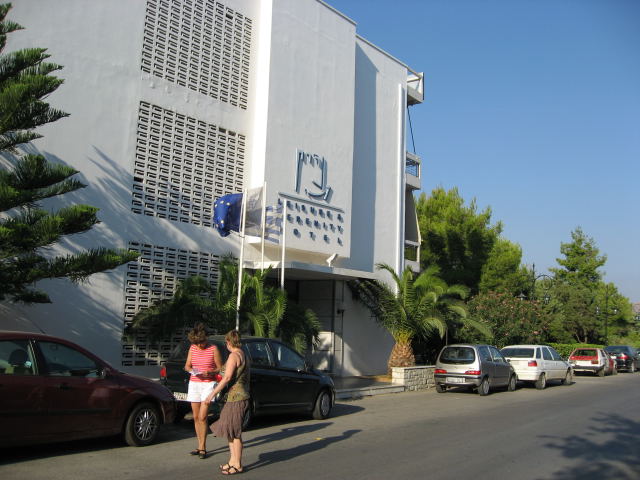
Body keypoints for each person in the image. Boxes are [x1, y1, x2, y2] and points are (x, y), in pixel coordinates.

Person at [204, 329, 250, 475]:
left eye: (226, 342)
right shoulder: (243, 354)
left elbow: (227, 378)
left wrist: (211, 394)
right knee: (230, 430)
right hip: (237, 397)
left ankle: (238, 464)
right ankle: (232, 461)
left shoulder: (234, 356)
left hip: (236, 398)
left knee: (235, 432)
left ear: (229, 342)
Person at [184, 322, 223, 459]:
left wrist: (211, 372)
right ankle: (199, 446)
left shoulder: (213, 348)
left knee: (202, 416)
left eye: (202, 342)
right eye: (198, 343)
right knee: (195, 417)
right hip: (194, 383)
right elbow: (187, 366)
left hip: (208, 384)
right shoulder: (192, 348)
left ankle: (203, 447)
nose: (200, 345)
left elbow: (220, 367)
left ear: (206, 338)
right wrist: (191, 370)